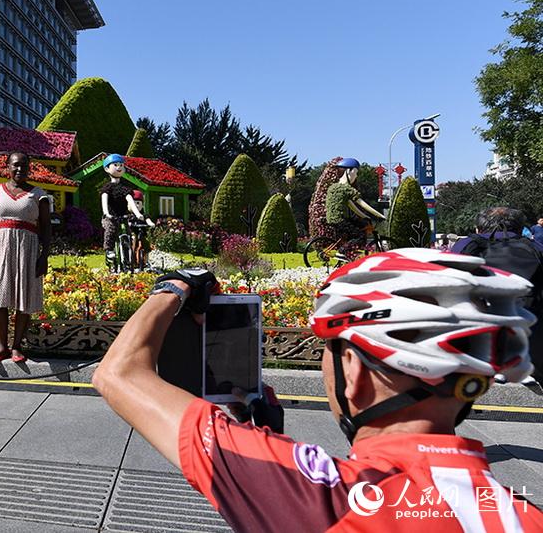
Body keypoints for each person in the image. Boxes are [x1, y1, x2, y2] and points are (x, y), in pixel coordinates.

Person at [93, 249, 543, 530]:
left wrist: (173, 287)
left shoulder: (317, 493)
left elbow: (119, 373)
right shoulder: (522, 514)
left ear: (356, 370)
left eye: (328, 350)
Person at [0, 151, 51, 364]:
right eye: (15, 165)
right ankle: (2, 347)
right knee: (0, 297)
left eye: (24, 166)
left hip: (28, 250)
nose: (20, 169)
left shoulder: (39, 194)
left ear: (29, 168)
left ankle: (17, 346)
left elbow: (46, 229)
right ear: (7, 166)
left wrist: (44, 256)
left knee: (23, 299)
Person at [453, 207, 543, 384]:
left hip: (476, 337)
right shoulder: (535, 248)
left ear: (479, 228)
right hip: (532, 336)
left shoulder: (465, 245)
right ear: (519, 228)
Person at [101, 154, 154, 267]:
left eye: (121, 165)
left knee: (128, 234)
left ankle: (129, 256)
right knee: (110, 229)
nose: (119, 167)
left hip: (123, 215)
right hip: (110, 216)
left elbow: (130, 200)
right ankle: (109, 250)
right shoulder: (107, 187)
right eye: (115, 165)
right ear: (107, 169)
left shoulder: (124, 188)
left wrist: (137, 213)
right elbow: (104, 199)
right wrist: (106, 213)